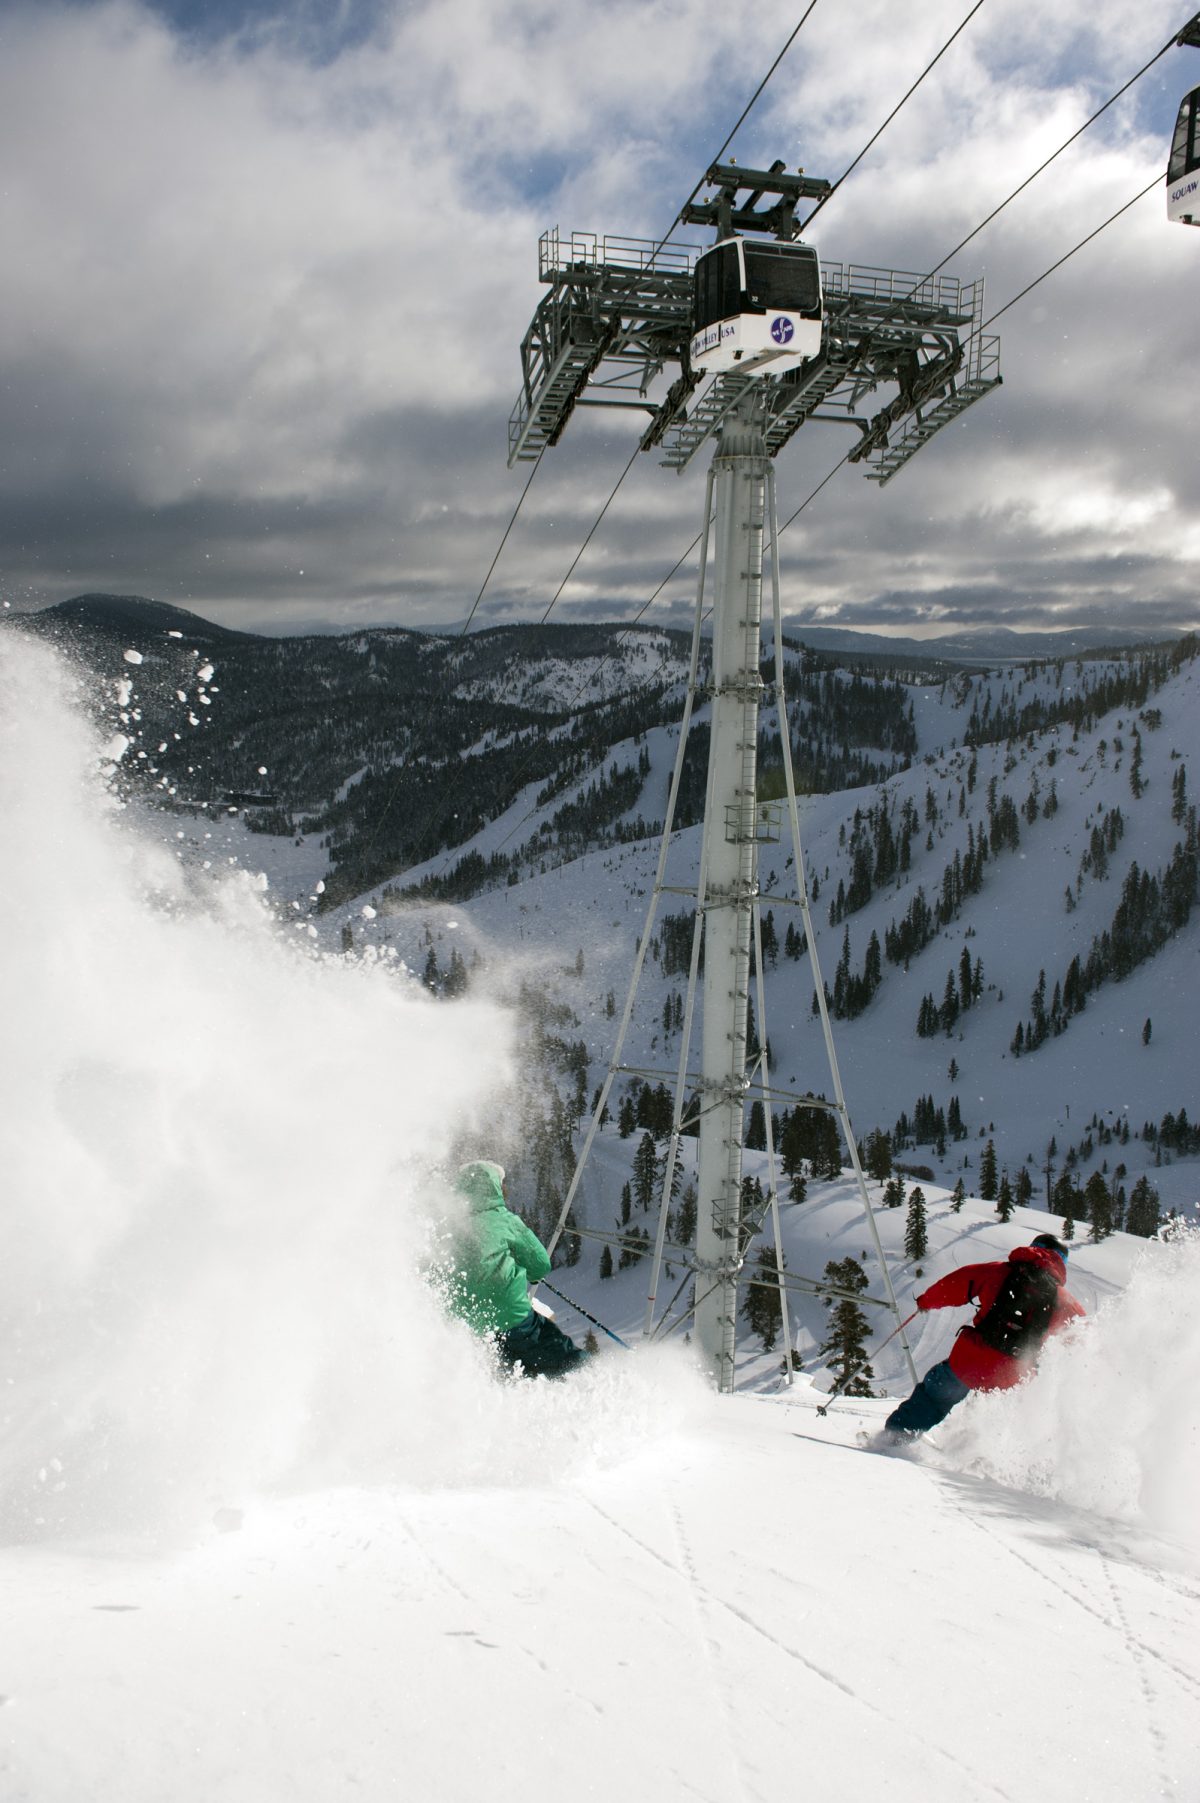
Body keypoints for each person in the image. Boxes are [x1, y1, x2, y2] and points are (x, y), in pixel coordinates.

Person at [884, 1232, 1084, 1439]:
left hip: (971, 1361)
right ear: (1062, 1262)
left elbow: (956, 1283)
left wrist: (926, 1302)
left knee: (935, 1396)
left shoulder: (998, 1271)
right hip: (1015, 1374)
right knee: (1000, 1419)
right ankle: (977, 1453)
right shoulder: (1065, 1301)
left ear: (1033, 1247)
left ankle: (894, 1437)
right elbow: (1082, 1340)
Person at [444, 1160, 589, 1378]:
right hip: (511, 1315)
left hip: (468, 1325)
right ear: (495, 1188)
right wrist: (528, 1272)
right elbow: (541, 1264)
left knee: (507, 1372)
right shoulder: (505, 1220)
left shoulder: (448, 1227)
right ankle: (596, 1383)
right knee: (562, 1356)